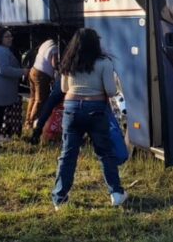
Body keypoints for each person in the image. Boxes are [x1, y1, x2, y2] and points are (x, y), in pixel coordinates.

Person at [51, 28, 127, 209]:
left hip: (71, 109)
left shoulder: (68, 62)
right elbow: (110, 91)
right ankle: (116, 193)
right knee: (105, 153)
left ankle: (59, 198)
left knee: (68, 154)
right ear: (96, 43)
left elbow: (63, 88)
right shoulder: (104, 63)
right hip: (95, 109)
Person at [25, 38, 60, 129]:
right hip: (42, 75)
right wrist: (59, 67)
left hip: (33, 70)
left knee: (32, 98)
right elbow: (54, 63)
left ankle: (27, 120)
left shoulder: (45, 43)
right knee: (40, 99)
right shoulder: (54, 48)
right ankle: (31, 122)